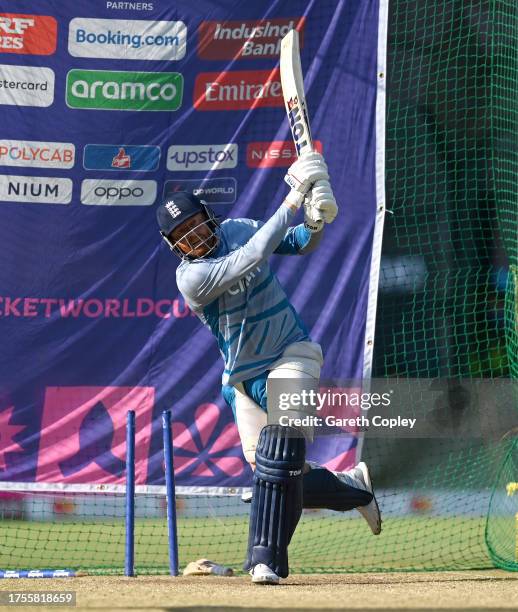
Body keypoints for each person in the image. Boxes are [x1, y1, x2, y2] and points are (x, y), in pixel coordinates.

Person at [156, 152, 381, 585]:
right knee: (275, 474)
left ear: (208, 218)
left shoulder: (236, 228)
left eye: (195, 225)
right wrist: (296, 194)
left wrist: (315, 221)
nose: (192, 238)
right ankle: (354, 488)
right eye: (181, 237)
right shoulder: (190, 278)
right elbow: (252, 256)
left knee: (280, 458)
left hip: (291, 354)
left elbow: (296, 242)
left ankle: (266, 561)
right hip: (243, 380)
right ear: (175, 248)